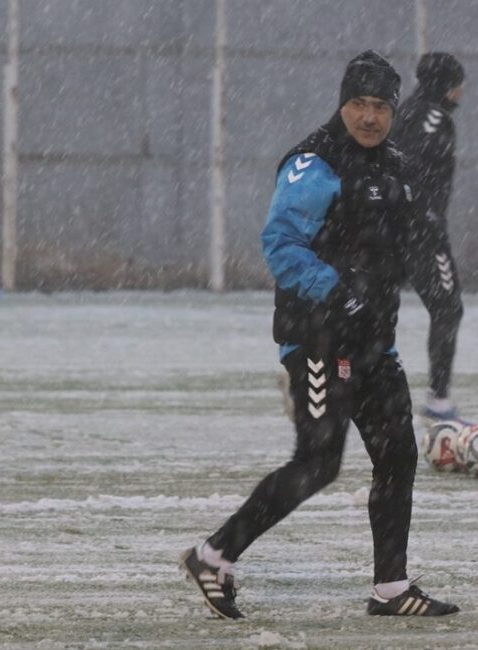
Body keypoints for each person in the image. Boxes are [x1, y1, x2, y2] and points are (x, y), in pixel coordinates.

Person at [179, 50, 460, 621]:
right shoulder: (315, 164)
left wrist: (435, 288)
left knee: (398, 454)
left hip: (373, 343)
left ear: (393, 110)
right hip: (318, 341)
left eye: (380, 106)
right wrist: (338, 294)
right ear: (342, 103)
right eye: (358, 103)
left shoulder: (394, 166)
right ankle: (214, 555)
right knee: (318, 461)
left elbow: (407, 241)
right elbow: (280, 246)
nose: (369, 116)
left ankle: (391, 589)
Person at [389, 52, 467, 423]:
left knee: (371, 313)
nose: (462, 91)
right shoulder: (433, 118)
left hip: (391, 227)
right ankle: (439, 403)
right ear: (447, 85)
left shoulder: (406, 109)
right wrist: (426, 216)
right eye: (458, 82)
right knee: (448, 307)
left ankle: (339, 384)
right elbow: (414, 165)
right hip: (420, 232)